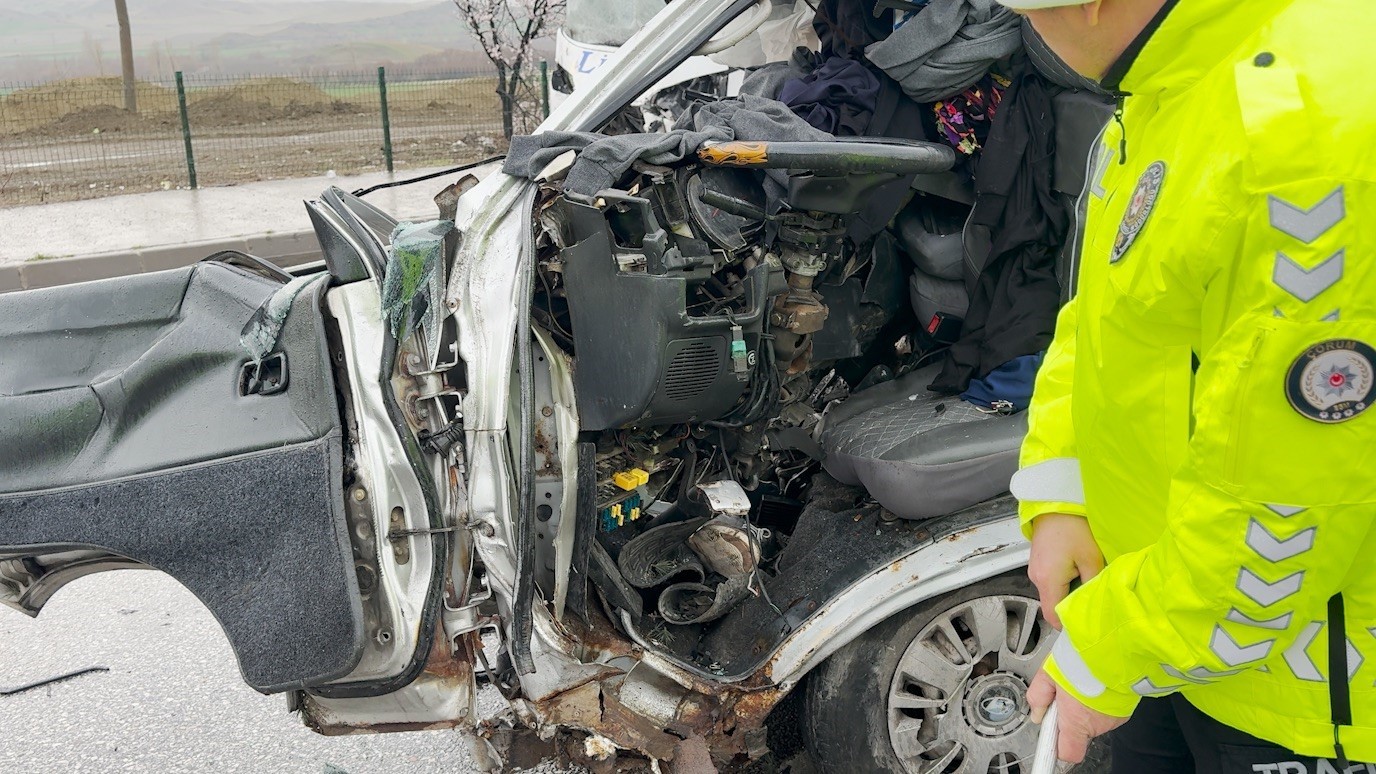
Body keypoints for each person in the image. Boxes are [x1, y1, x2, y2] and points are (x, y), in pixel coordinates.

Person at [997, 0, 1376, 771]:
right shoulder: (1171, 80)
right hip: (1174, 630)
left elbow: (1286, 506)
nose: (1030, 31)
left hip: (1307, 697)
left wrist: (1117, 651)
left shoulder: (1303, 133)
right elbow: (1106, 317)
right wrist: (1062, 492)